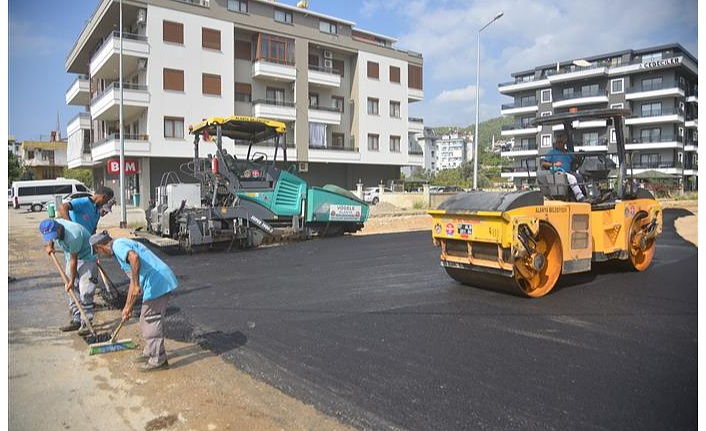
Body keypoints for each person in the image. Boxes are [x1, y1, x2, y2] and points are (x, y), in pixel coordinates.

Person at [89, 231, 178, 372]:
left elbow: (134, 258)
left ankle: (158, 360)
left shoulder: (118, 245)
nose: (101, 256)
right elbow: (133, 281)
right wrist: (127, 307)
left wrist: (136, 284)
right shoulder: (122, 245)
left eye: (98, 252)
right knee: (145, 319)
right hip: (157, 281)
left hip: (158, 282)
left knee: (150, 319)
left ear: (100, 247)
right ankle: (150, 351)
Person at [39, 218, 98, 336]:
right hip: (71, 257)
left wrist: (71, 280)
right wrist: (50, 245)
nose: (54, 237)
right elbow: (51, 237)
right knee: (71, 290)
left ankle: (86, 321)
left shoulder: (73, 234)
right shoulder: (53, 226)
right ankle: (77, 318)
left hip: (86, 257)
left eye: (55, 235)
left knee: (85, 290)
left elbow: (73, 261)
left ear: (59, 228)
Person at [540, 133, 586, 202]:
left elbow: (575, 162)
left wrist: (579, 156)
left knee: (579, 177)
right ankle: (579, 197)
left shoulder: (568, 153)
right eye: (558, 142)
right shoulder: (552, 153)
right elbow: (543, 163)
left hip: (568, 172)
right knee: (572, 178)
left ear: (564, 143)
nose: (559, 144)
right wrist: (554, 164)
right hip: (558, 172)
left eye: (561, 142)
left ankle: (585, 195)